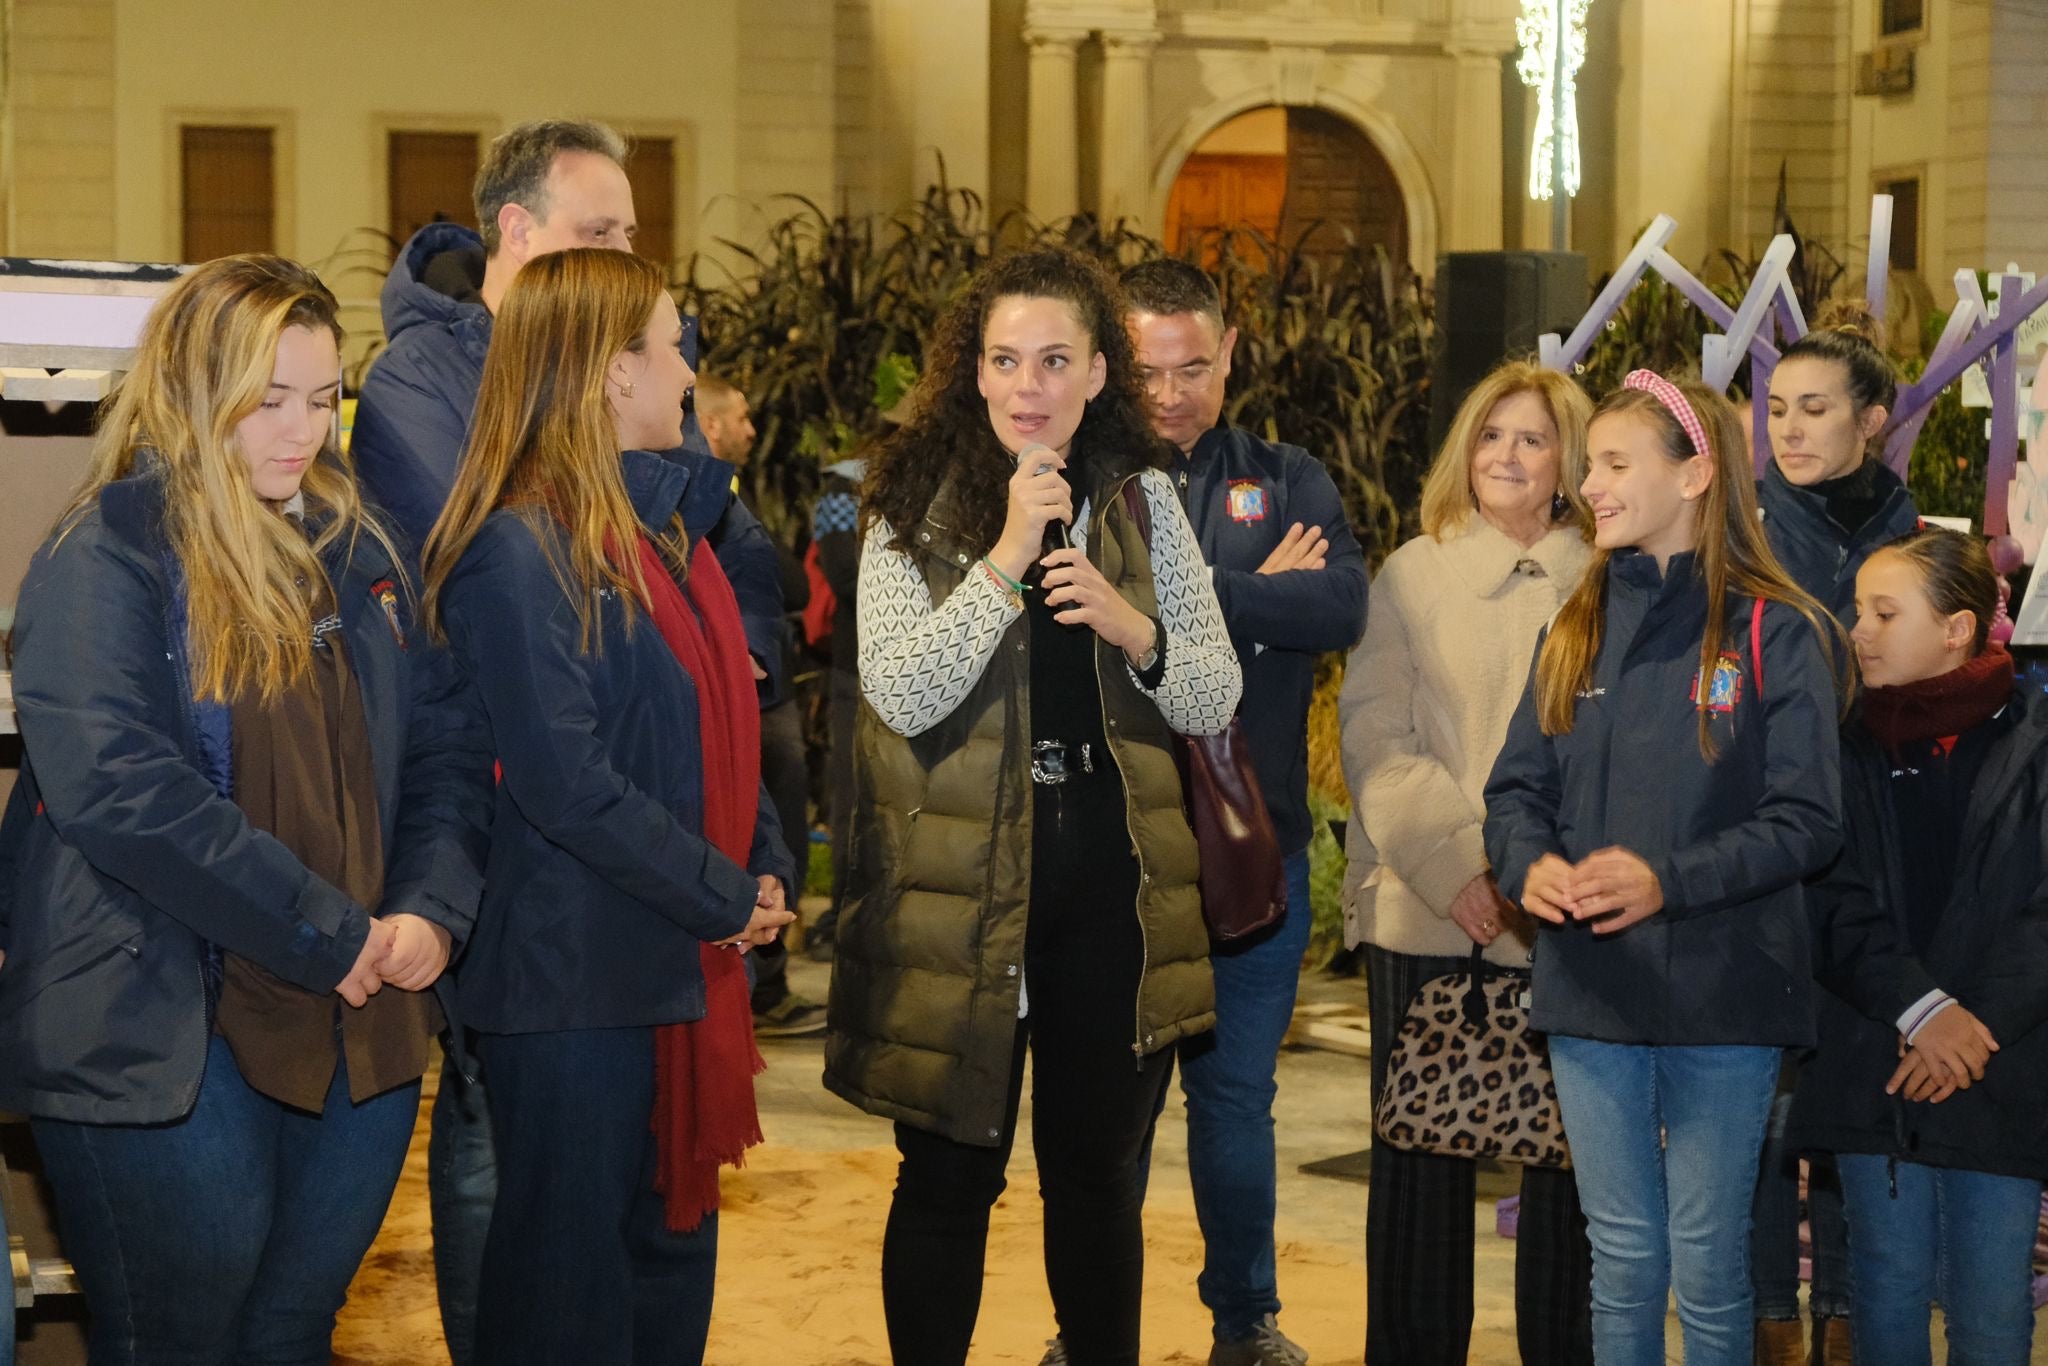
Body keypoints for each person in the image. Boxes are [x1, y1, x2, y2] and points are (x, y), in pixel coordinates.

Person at [348, 117, 788, 1366]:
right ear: (607, 375)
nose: (688, 373)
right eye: (666, 349)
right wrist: (720, 892)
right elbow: (562, 779)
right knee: (564, 1301)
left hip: (647, 961)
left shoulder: (652, 534)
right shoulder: (512, 543)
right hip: (566, 981)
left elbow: (705, 729)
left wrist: (743, 874)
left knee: (652, 1288)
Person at [0, 254, 492, 1364]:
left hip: (358, 1016)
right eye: (269, 399)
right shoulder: (108, 550)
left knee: (288, 1334)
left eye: (323, 400)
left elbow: (449, 746)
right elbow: (124, 792)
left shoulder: (359, 549)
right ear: (190, 390)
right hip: (157, 1028)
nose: (303, 431)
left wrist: (426, 910)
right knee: (184, 1339)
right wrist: (335, 931)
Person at [824, 246, 1242, 1366]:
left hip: (1108, 890)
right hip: (959, 898)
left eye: (1054, 360)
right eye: (1004, 358)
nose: (1027, 385)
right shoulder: (906, 500)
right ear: (971, 369)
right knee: (948, 1175)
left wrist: (1128, 624)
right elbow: (901, 688)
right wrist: (1006, 554)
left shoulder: (1145, 499)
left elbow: (1212, 694)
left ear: (1099, 373)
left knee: (1094, 1182)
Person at [1483, 370, 1847, 1366]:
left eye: (1611, 463)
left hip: (1728, 997)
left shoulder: (1778, 630)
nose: (1585, 483)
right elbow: (1515, 792)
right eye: (1586, 464)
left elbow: (1808, 819)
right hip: (1591, 991)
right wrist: (1530, 869)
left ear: (1692, 474)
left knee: (1706, 1261)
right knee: (1624, 1258)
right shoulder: (1574, 625)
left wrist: (1664, 879)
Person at [1118, 257, 1368, 1366]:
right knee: (1111, 1118)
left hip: (1250, 850)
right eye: (1145, 370)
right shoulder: (1082, 480)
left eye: (1191, 367)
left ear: (1226, 357)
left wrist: (1184, 598)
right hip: (1116, 854)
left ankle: (1245, 1321)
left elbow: (1337, 602)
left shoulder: (1285, 472)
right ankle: (1093, 1322)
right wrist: (1252, 591)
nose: (1170, 392)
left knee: (1234, 1107)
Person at [1340, 359, 1596, 1366]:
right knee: (1415, 1179)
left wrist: (1535, 873)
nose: (1507, 456)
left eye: (1531, 439)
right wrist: (1463, 867)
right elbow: (1374, 734)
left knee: (1570, 1174)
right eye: (1490, 437)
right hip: (1425, 906)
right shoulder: (1413, 571)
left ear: (1568, 462)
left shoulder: (1612, 577)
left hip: (1565, 912)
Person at [1795, 529, 2046, 1366]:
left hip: (2001, 1065)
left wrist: (1970, 1027)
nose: (1857, 629)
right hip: (1881, 1059)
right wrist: (1923, 1010)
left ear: (1957, 628)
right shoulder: (1839, 745)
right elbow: (1829, 900)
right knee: (1889, 1291)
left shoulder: (2037, 742)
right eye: (1859, 609)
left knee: (1992, 1306)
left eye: (1883, 612)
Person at [1751, 303, 1914, 1366]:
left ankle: (1849, 1318)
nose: (1789, 430)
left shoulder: (1912, 534)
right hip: (1762, 854)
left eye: (1813, 409)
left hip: (1885, 848)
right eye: (1773, 409)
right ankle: (1767, 1315)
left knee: (1861, 1089)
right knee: (1763, 1107)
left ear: (1872, 416)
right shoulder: (1742, 530)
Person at [695, 373, 826, 1036]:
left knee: (772, 835)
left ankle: (765, 976)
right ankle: (762, 985)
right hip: (747, 690)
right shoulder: (703, 502)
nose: (752, 430)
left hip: (762, 685)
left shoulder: (727, 498)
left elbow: (793, 583)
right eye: (741, 418)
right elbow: (787, 580)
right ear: (712, 426)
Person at [805, 455, 864, 962]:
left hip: (882, 665)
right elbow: (843, 574)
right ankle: (844, 921)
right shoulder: (844, 489)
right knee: (851, 799)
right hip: (856, 667)